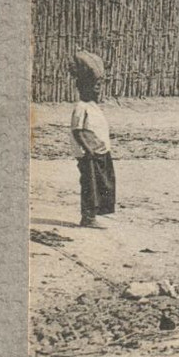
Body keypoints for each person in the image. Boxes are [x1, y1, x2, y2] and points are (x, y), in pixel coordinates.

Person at [69, 51, 116, 227]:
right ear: (83, 88)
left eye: (98, 86)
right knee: (90, 185)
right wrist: (88, 150)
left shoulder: (93, 106)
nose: (97, 89)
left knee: (101, 184)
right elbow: (78, 131)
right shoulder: (81, 107)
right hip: (89, 154)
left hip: (99, 152)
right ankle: (88, 217)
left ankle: (94, 214)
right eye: (93, 86)